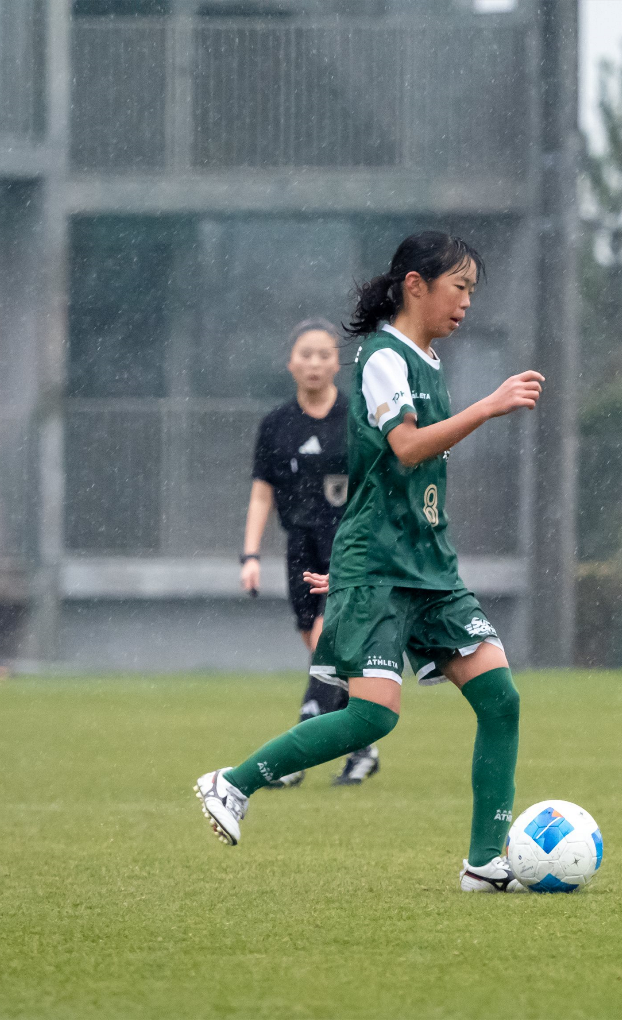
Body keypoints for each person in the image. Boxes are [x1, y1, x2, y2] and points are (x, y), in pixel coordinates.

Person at [196, 231, 544, 893]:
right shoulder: (384, 357)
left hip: (426, 566)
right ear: (416, 283)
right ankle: (231, 783)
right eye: (459, 286)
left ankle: (483, 862)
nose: (467, 302)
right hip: (384, 566)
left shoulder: (428, 359)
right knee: (374, 716)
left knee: (501, 699)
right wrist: (489, 405)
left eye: (473, 290)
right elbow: (407, 447)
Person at [241, 317, 379, 787]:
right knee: (320, 648)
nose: (315, 362)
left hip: (349, 547)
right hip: (300, 549)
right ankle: (361, 743)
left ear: (337, 363)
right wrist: (250, 556)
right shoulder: (276, 424)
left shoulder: (357, 418)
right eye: (306, 354)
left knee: (326, 643)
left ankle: (299, 747)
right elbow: (262, 493)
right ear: (291, 363)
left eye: (324, 354)